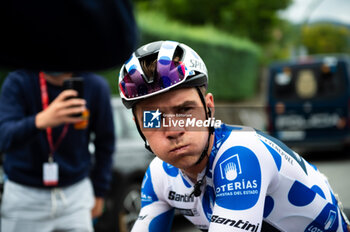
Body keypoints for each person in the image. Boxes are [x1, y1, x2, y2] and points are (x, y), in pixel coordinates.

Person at [117, 40, 350, 232]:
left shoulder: (241, 153)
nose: (174, 130)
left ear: (209, 108)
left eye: (185, 110)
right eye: (154, 118)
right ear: (139, 127)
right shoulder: (159, 174)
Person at [0, 70, 115, 232]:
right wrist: (41, 120)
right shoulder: (18, 81)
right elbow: (4, 137)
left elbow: (106, 143)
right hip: (24, 194)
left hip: (76, 193)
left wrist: (99, 192)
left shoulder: (95, 85)